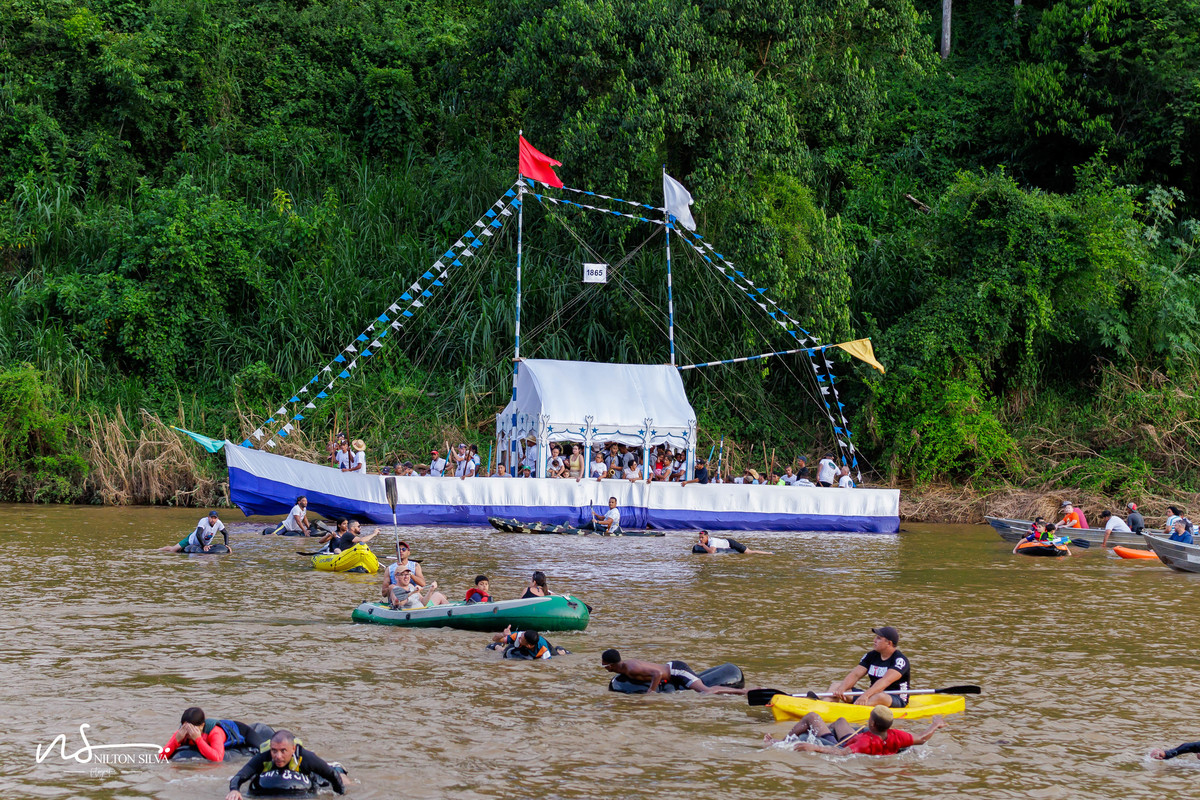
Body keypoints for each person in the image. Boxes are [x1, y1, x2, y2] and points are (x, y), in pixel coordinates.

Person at [767, 707, 946, 756]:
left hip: (845, 744)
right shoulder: (897, 736)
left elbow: (841, 752)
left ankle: (780, 741)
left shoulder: (864, 742)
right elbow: (922, 738)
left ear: (872, 723)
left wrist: (813, 747)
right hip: (857, 740)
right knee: (841, 721)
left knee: (812, 717)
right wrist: (935, 724)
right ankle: (825, 731)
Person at [225, 730, 344, 800]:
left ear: (293, 749)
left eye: (283, 751)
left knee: (339, 777)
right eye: (274, 750)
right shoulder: (263, 757)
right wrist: (234, 790)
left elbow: (332, 775)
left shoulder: (306, 758)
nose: (278, 756)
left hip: (310, 777)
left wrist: (340, 795)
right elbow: (239, 776)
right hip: (273, 780)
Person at [827, 626, 910, 708]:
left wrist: (865, 695)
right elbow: (855, 675)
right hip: (873, 694)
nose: (874, 640)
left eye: (879, 638)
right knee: (836, 686)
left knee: (880, 696)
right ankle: (824, 708)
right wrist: (842, 688)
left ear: (889, 643)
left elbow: (885, 681)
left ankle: (853, 709)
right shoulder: (871, 655)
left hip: (896, 698)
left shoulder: (900, 660)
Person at [601, 650, 749, 695]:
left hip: (677, 670)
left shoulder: (632, 668)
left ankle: (745, 692)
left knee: (706, 692)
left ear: (611, 665)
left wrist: (650, 692)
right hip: (672, 673)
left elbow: (657, 674)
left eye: (604, 665)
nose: (604, 667)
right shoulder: (625, 668)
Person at [160, 707, 269, 762]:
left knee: (265, 750)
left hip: (243, 731)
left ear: (202, 725)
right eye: (185, 727)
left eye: (193, 728)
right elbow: (161, 756)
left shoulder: (215, 732)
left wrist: (198, 739)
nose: (189, 731)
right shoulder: (182, 732)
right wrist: (176, 740)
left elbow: (217, 758)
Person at [160, 511, 228, 552]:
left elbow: (225, 533)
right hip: (191, 540)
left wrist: (226, 545)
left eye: (215, 518)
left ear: (217, 518)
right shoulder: (203, 521)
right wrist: (204, 545)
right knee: (173, 550)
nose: (213, 520)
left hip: (202, 544)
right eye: (211, 518)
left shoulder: (219, 523)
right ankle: (159, 550)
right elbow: (198, 534)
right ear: (208, 517)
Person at [492, 626, 567, 658]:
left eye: (521, 640)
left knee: (557, 655)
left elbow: (545, 666)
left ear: (529, 645)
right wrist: (502, 634)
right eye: (521, 636)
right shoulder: (518, 635)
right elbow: (495, 639)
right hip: (520, 647)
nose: (519, 638)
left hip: (542, 646)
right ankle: (498, 647)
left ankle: (561, 651)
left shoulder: (543, 650)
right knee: (503, 651)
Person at [695, 530, 772, 555]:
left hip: (730, 543)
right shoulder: (701, 541)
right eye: (700, 538)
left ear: (707, 537)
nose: (701, 539)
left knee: (748, 552)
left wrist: (703, 545)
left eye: (702, 537)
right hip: (725, 542)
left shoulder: (712, 541)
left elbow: (712, 552)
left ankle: (768, 553)